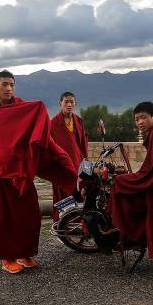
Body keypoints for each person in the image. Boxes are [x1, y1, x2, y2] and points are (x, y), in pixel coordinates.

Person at [0, 70, 77, 275]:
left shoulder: (22, 107)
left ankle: (24, 253)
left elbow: (33, 130)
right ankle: (7, 258)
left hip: (20, 170)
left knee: (28, 214)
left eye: (12, 85)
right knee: (2, 216)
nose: (8, 88)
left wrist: (59, 156)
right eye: (4, 84)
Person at [110, 101, 153, 281]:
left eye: (143, 117)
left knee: (119, 184)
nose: (140, 122)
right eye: (137, 119)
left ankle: (133, 234)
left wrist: (138, 177)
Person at [50, 91, 88, 221]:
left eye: (72, 102)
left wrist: (85, 162)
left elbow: (83, 143)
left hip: (77, 164)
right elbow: (50, 146)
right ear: (60, 103)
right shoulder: (53, 123)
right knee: (63, 194)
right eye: (66, 102)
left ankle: (78, 221)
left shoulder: (78, 121)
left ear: (75, 103)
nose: (69, 104)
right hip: (61, 167)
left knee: (79, 192)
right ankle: (61, 221)